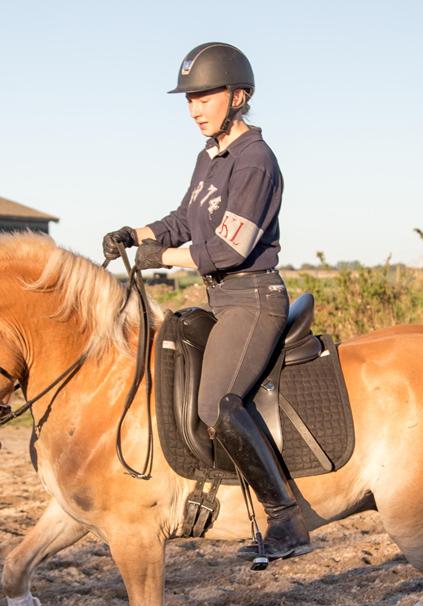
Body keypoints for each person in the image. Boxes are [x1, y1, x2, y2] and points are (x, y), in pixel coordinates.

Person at [102, 42, 311, 562]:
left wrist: (163, 257)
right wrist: (135, 233)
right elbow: (183, 218)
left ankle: (286, 517)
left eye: (203, 97)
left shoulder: (256, 161)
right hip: (220, 299)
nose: (193, 108)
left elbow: (228, 246)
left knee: (218, 403)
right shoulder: (208, 158)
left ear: (238, 97)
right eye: (189, 99)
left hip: (253, 298)